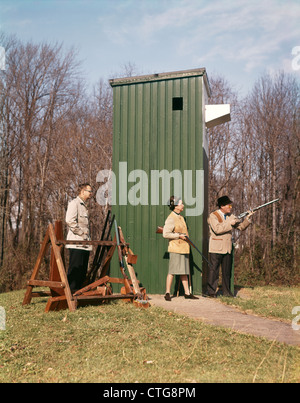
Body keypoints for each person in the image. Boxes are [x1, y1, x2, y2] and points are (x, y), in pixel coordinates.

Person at [207, 195, 254, 298]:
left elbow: (241, 227)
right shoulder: (213, 216)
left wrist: (247, 218)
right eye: (229, 205)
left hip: (227, 248)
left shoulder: (231, 216)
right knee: (213, 271)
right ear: (222, 206)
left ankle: (227, 293)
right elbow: (217, 229)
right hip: (216, 247)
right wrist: (230, 223)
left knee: (226, 272)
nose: (230, 207)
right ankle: (211, 292)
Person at [163, 196, 199, 301]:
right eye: (181, 203)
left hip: (184, 248)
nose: (183, 205)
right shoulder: (171, 218)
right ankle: (167, 293)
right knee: (172, 271)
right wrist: (178, 235)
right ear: (176, 206)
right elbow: (165, 234)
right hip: (175, 248)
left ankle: (187, 293)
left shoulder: (181, 217)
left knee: (184, 271)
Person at [65, 183, 93, 292]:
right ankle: (70, 294)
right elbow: (69, 221)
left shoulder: (84, 205)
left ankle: (79, 294)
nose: (91, 193)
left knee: (82, 270)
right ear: (82, 191)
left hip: (85, 244)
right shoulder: (74, 203)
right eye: (89, 191)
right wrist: (81, 233)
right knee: (75, 270)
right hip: (76, 243)